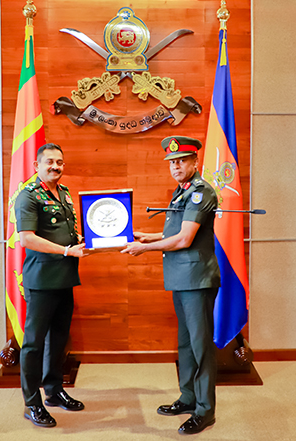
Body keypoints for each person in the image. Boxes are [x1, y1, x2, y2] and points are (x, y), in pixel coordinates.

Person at [121, 136, 220, 435]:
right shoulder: (182, 192)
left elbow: (184, 239)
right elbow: (175, 230)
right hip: (181, 277)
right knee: (186, 343)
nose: (175, 166)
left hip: (197, 280)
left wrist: (144, 249)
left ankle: (205, 410)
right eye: (172, 162)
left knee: (200, 345)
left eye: (181, 160)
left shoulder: (201, 193)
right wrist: (148, 236)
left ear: (195, 163)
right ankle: (188, 397)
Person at [15, 143, 88, 428]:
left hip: (65, 278)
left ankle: (54, 390)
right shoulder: (28, 196)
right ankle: (32, 402)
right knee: (33, 344)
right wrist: (67, 251)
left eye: (59, 162)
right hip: (42, 280)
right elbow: (27, 239)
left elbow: (68, 231)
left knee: (59, 339)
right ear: (37, 166)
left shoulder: (65, 193)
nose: (55, 166)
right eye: (49, 162)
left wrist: (84, 241)